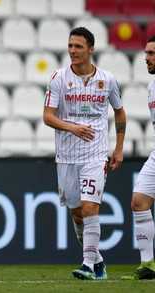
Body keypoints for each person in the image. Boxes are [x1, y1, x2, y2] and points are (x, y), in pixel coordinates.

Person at [43, 27, 126, 280]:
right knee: (77, 214)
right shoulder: (59, 78)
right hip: (67, 156)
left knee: (90, 208)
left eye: (78, 46)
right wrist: (73, 128)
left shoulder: (107, 79)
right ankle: (98, 261)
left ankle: (87, 265)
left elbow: (120, 112)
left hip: (95, 154)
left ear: (91, 49)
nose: (72, 51)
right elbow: (47, 117)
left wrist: (119, 148)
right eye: (70, 46)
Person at [121, 36, 155, 280]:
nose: (146, 58)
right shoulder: (151, 87)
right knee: (139, 201)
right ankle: (148, 265)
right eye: (146, 53)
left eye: (152, 53)